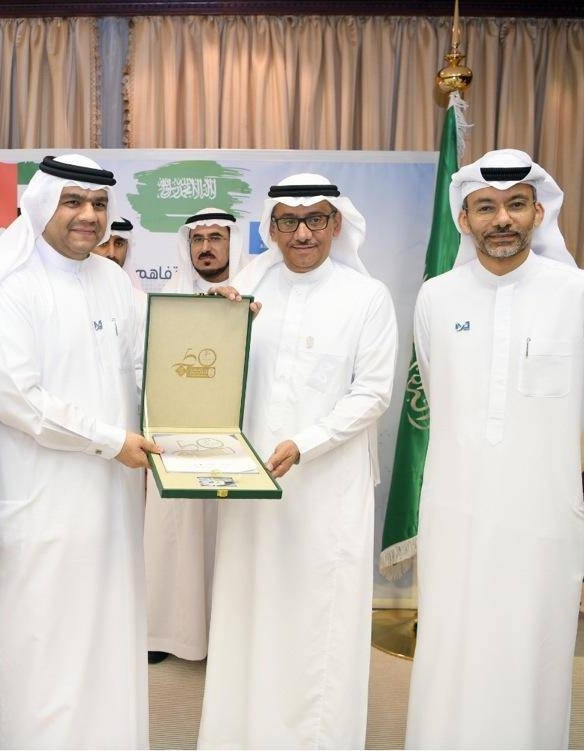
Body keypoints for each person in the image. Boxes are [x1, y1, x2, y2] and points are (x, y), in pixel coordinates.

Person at [404, 149, 584, 749]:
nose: (502, 219)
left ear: (538, 212)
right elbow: (438, 384)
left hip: (541, 507)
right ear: (464, 218)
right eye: (486, 207)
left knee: (534, 642)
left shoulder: (579, 293)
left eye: (516, 205)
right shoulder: (436, 297)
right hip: (458, 504)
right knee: (455, 636)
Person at [0, 154, 160, 748]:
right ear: (43, 205)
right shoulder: (11, 287)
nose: (88, 216)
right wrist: (108, 440)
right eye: (73, 202)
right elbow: (14, 396)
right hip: (38, 505)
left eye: (99, 205)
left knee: (105, 635)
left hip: (111, 503)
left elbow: (152, 365)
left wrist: (219, 330)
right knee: (40, 643)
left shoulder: (114, 282)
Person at [197, 175, 398, 748]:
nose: (302, 232)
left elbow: (373, 393)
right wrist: (216, 324)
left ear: (337, 224)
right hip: (252, 486)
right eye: (288, 220)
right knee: (249, 611)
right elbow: (210, 374)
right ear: (272, 228)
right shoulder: (248, 292)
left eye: (316, 219)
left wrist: (306, 442)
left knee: (317, 623)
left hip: (326, 489)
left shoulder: (367, 298)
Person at [143, 208, 247, 665]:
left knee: (227, 537)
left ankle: (224, 634)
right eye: (197, 239)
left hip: (234, 438)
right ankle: (168, 634)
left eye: (215, 238)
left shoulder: (256, 293)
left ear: (233, 243)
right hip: (176, 434)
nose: (205, 247)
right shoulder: (168, 299)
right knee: (174, 535)